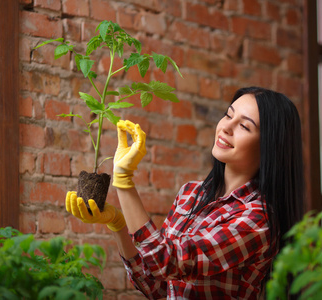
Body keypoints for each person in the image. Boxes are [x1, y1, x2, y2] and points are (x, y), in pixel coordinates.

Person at [66, 86, 305, 299]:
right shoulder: (190, 193)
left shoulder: (257, 219)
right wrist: (118, 225)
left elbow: (166, 261)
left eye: (244, 126)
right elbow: (156, 286)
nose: (226, 128)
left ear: (270, 147)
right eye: (228, 115)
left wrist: (124, 182)